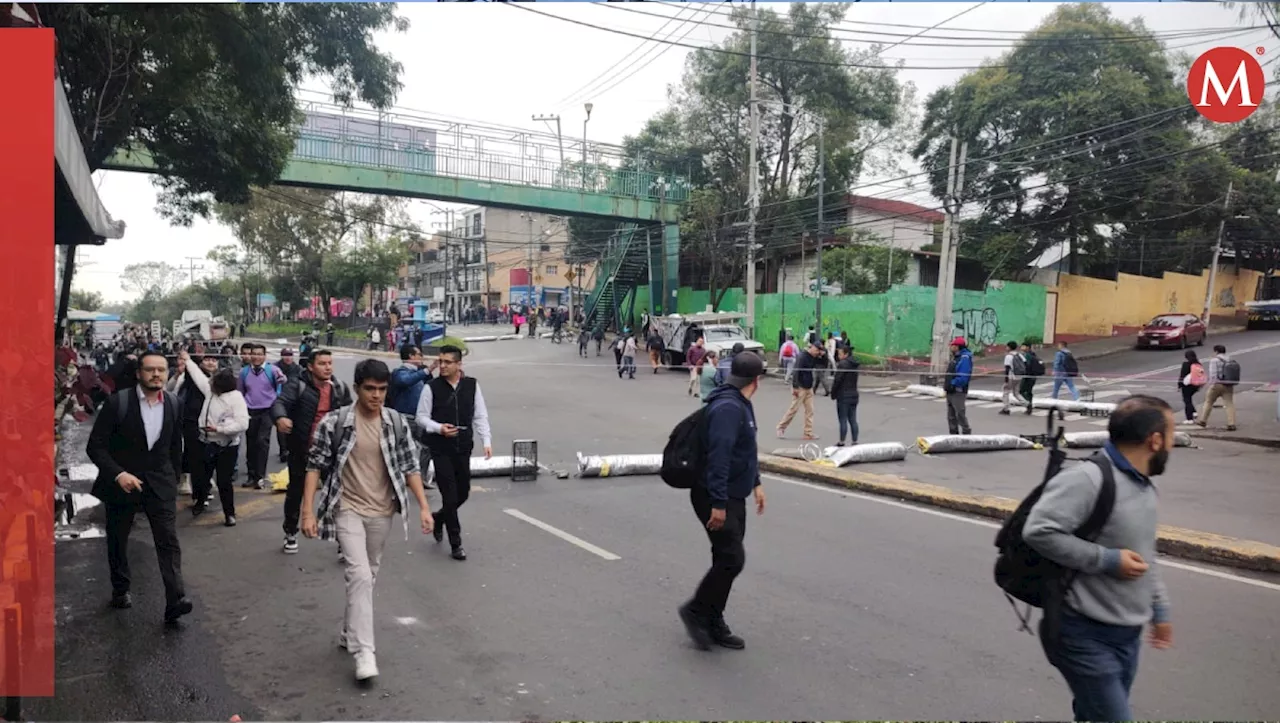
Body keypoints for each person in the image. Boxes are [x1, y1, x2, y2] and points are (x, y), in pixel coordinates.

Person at [1024, 395, 1174, 721]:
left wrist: (1159, 610)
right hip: (1080, 633)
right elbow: (1038, 530)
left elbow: (1147, 554)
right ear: (1155, 440)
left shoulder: (1144, 488)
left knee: (1092, 715)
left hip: (1127, 636)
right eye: (1172, 435)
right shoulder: (1087, 479)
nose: (1172, 446)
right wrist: (1107, 560)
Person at [301, 359, 434, 682]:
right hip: (346, 507)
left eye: (382, 390)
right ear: (357, 388)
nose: (376, 396)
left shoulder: (395, 424)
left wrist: (425, 507)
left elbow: (409, 467)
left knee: (367, 576)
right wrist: (307, 511)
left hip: (382, 511)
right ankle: (364, 652)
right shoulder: (335, 423)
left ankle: (349, 632)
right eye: (370, 389)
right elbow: (314, 467)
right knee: (359, 575)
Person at [85, 350, 194, 624]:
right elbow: (95, 446)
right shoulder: (117, 403)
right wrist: (118, 474)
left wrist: (175, 477)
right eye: (150, 370)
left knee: (168, 541)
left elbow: (174, 445)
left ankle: (175, 599)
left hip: (160, 483)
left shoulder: (173, 403)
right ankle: (120, 589)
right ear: (139, 373)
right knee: (118, 540)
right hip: (122, 484)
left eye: (161, 370)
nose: (156, 374)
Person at [678, 351, 766, 651]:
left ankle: (714, 619)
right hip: (715, 495)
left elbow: (745, 451)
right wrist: (718, 504)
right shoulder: (729, 407)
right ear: (757, 380)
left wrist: (756, 483)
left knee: (725, 559)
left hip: (733, 494)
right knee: (732, 558)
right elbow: (720, 458)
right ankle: (696, 611)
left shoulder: (741, 404)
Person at [415, 345, 493, 561]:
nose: (443, 366)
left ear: (459, 364)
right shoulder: (431, 387)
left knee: (463, 493)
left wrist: (486, 440)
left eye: (448, 362)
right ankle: (456, 543)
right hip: (440, 448)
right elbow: (421, 417)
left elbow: (480, 415)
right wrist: (439, 428)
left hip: (463, 446)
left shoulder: (471, 385)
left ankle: (439, 518)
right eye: (440, 361)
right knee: (449, 496)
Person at [273, 349, 353, 554]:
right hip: (302, 450)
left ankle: (342, 540)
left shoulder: (339, 388)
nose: (327, 367)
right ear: (310, 366)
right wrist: (281, 417)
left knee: (337, 494)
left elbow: (350, 414)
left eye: (329, 363)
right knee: (296, 492)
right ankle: (290, 532)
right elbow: (280, 403)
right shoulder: (297, 385)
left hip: (330, 452)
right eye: (322, 363)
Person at [176, 351, 249, 525]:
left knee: (224, 481)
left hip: (226, 446)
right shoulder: (210, 391)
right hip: (205, 442)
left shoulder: (235, 398)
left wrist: (220, 429)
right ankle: (200, 503)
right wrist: (187, 360)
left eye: (213, 381)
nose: (209, 382)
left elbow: (242, 424)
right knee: (201, 477)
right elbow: (197, 375)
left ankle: (229, 514)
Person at [238, 344, 288, 490]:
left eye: (260, 354)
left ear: (265, 356)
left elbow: (283, 381)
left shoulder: (272, 370)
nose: (256, 357)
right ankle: (251, 475)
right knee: (251, 443)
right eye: (254, 354)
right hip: (250, 410)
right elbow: (240, 392)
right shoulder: (244, 372)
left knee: (262, 441)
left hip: (268, 409)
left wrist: (280, 382)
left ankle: (260, 476)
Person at [776, 341, 822, 440]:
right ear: (812, 347)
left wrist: (822, 355)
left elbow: (822, 364)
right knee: (793, 409)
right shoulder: (802, 356)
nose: (817, 352)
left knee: (810, 411)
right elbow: (796, 371)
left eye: (819, 351)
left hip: (809, 387)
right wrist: (795, 387)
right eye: (816, 350)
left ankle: (808, 433)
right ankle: (781, 427)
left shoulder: (814, 357)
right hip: (800, 387)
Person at [1195, 344, 1238, 431]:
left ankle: (1203, 420)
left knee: (1209, 401)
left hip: (1217, 384)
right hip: (1228, 384)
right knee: (1229, 404)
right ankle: (1231, 423)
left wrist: (1210, 384)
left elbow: (1213, 374)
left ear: (1216, 351)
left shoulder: (1214, 360)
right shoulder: (1230, 359)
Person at [829, 344, 860, 446]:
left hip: (843, 395)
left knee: (843, 419)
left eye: (840, 353)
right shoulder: (854, 363)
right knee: (853, 419)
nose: (838, 356)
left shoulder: (843, 364)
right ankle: (855, 440)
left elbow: (837, 380)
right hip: (854, 394)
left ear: (846, 354)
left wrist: (833, 393)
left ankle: (842, 441)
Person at [943, 336, 973, 435]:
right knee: (951, 415)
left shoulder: (964, 358)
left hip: (958, 390)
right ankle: (953, 433)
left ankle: (966, 432)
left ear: (957, 347)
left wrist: (953, 383)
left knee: (959, 413)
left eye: (953, 345)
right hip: (950, 390)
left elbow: (963, 376)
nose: (951, 347)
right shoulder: (956, 357)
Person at [1176, 349, 1206, 426]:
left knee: (1187, 401)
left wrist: (1179, 385)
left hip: (1187, 385)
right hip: (1196, 385)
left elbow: (1182, 376)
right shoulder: (1198, 364)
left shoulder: (1186, 364)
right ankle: (1194, 412)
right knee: (1189, 399)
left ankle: (1189, 419)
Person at [999, 341, 1022, 415]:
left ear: (1009, 347)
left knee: (1005, 392)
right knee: (1016, 393)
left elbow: (1007, 369)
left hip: (1011, 377)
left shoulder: (1008, 356)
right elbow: (1025, 363)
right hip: (1019, 376)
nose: (1006, 348)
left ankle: (1006, 409)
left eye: (1007, 346)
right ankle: (1027, 404)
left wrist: (1006, 380)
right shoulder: (1019, 355)